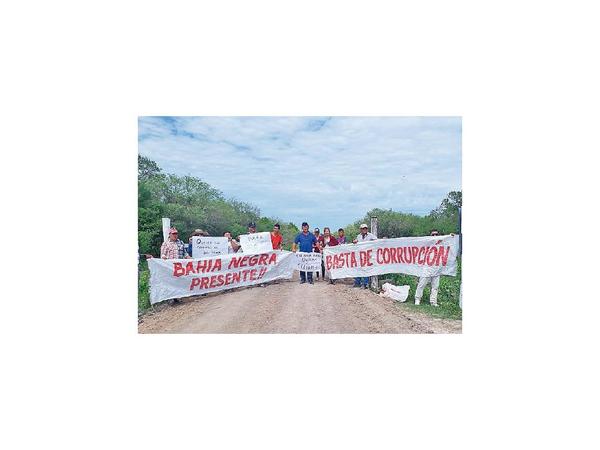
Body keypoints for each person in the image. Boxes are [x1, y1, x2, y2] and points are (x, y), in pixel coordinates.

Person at [160, 227, 191, 305]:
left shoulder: (181, 242)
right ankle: (170, 298)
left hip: (179, 267)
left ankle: (177, 297)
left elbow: (185, 253)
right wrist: (165, 258)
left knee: (179, 281)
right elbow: (163, 255)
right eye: (173, 234)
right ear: (169, 234)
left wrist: (190, 258)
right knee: (170, 282)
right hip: (170, 267)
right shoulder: (165, 243)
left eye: (176, 233)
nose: (175, 235)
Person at [415, 229, 442, 306]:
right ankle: (417, 299)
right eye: (433, 235)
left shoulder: (441, 244)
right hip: (426, 268)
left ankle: (433, 302)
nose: (435, 236)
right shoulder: (426, 244)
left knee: (435, 286)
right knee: (421, 284)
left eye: (436, 234)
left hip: (437, 268)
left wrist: (451, 236)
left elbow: (450, 242)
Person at [352, 223, 377, 289]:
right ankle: (357, 282)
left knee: (366, 269)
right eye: (363, 228)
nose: (364, 230)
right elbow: (356, 242)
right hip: (360, 255)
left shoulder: (371, 235)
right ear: (360, 229)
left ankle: (365, 284)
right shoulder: (358, 236)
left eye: (365, 228)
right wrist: (354, 241)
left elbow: (377, 241)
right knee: (358, 268)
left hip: (368, 256)